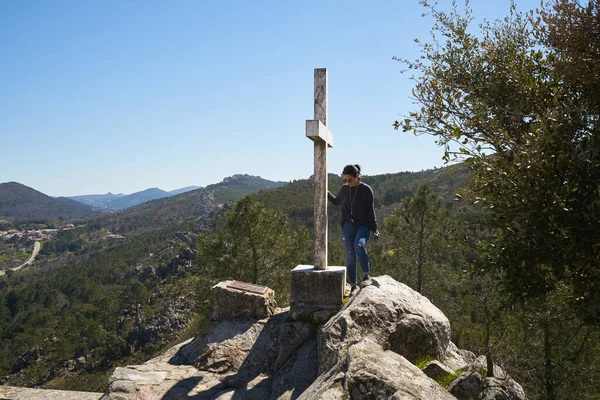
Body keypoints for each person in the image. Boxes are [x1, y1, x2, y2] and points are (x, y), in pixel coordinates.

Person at [328, 164, 379, 292]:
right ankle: (353, 284)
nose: (347, 182)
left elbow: (370, 211)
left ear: (357, 176)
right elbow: (336, 201)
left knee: (359, 245)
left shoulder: (366, 190)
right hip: (347, 226)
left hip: (363, 225)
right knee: (350, 255)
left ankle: (366, 275)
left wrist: (375, 230)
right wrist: (325, 192)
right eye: (345, 180)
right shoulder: (345, 189)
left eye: (349, 180)